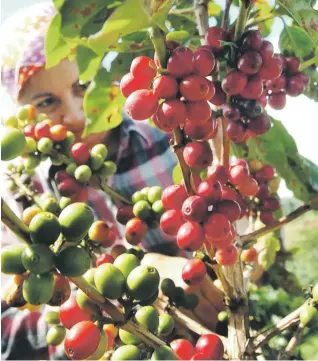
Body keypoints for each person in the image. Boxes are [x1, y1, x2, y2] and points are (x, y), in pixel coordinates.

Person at [1, 2, 224, 360]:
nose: (75, 115)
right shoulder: (24, 192)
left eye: (83, 86)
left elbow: (220, 215)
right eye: (45, 102)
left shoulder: (166, 135)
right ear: (21, 111)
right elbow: (13, 321)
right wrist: (98, 303)